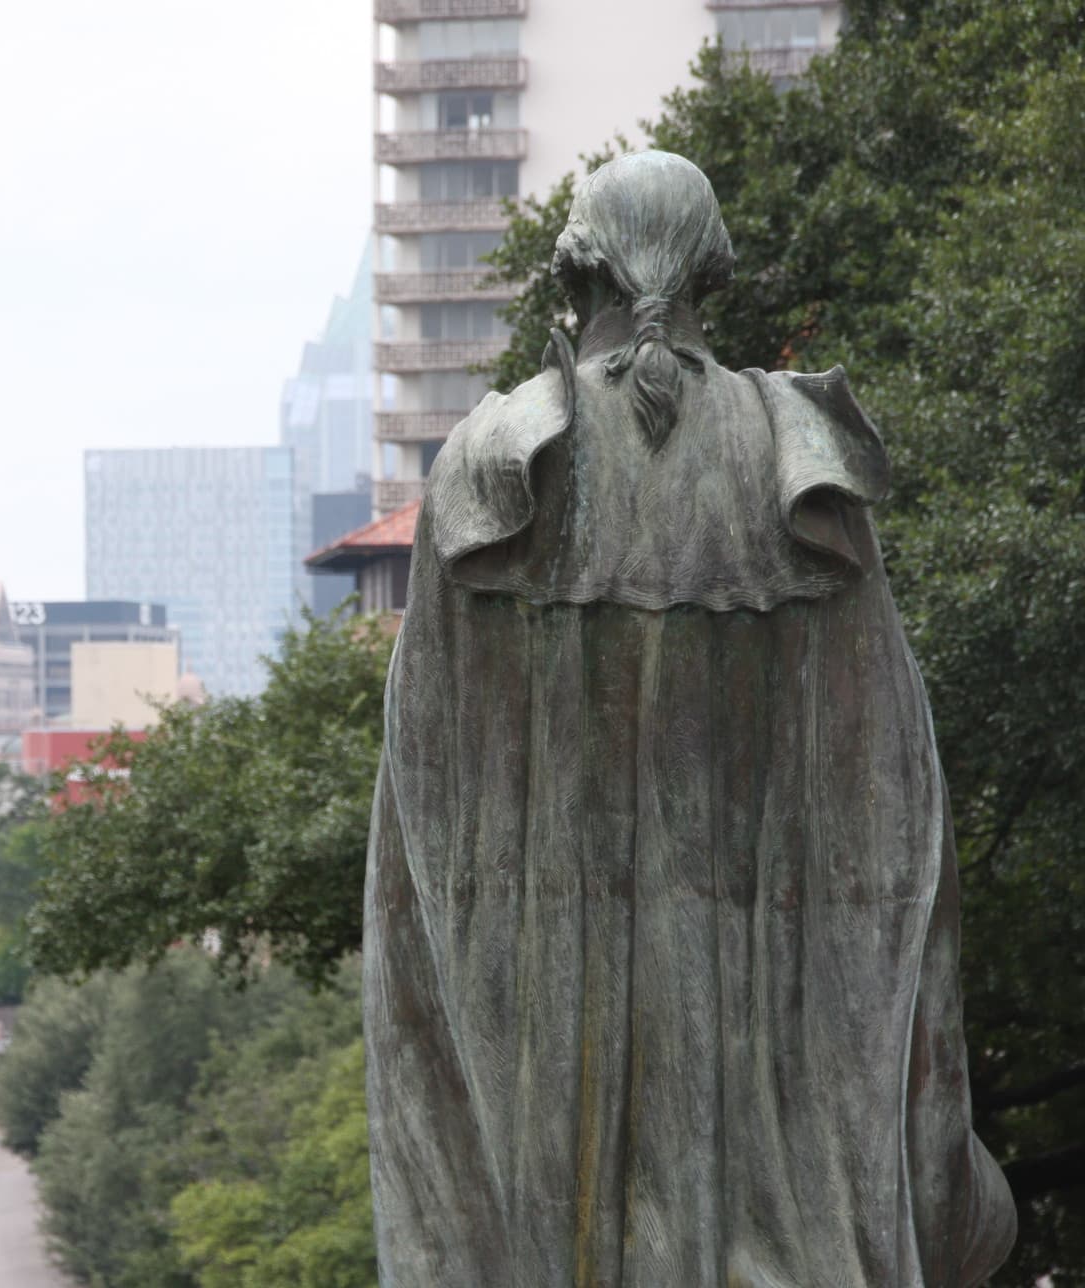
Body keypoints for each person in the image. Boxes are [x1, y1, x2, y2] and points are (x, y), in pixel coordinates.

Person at [363, 150, 1014, 1286]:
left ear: (574, 268)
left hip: (549, 1021)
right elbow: (898, 821)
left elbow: (425, 826)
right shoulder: (797, 461)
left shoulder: (490, 470)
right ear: (713, 267)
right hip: (784, 1029)